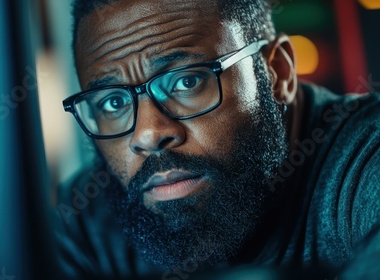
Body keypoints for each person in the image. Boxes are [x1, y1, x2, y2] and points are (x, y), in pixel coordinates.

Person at [55, 0, 380, 279]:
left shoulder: (366, 159)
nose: (148, 134)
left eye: (187, 81)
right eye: (113, 103)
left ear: (278, 73)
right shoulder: (84, 222)